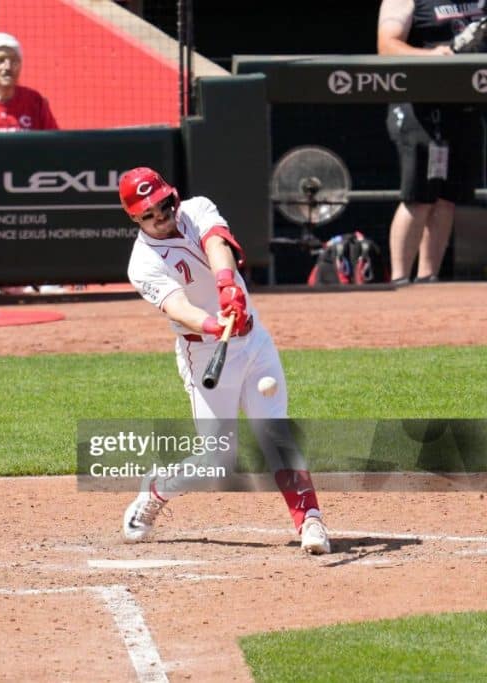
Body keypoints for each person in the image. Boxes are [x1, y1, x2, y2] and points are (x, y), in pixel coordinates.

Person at [117, 167, 331, 555]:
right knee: (217, 461)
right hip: (204, 352)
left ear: (172, 197)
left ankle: (310, 520)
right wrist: (213, 323)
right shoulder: (141, 263)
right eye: (148, 213)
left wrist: (227, 285)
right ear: (134, 217)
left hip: (254, 342)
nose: (160, 217)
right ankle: (157, 489)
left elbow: (218, 243)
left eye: (163, 206)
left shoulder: (197, 209)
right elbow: (177, 306)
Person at [377, 0, 486, 285]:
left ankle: (429, 278)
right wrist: (434, 55)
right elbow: (386, 46)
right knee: (418, 196)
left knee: (447, 198)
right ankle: (400, 279)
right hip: (418, 103)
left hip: (464, 104)